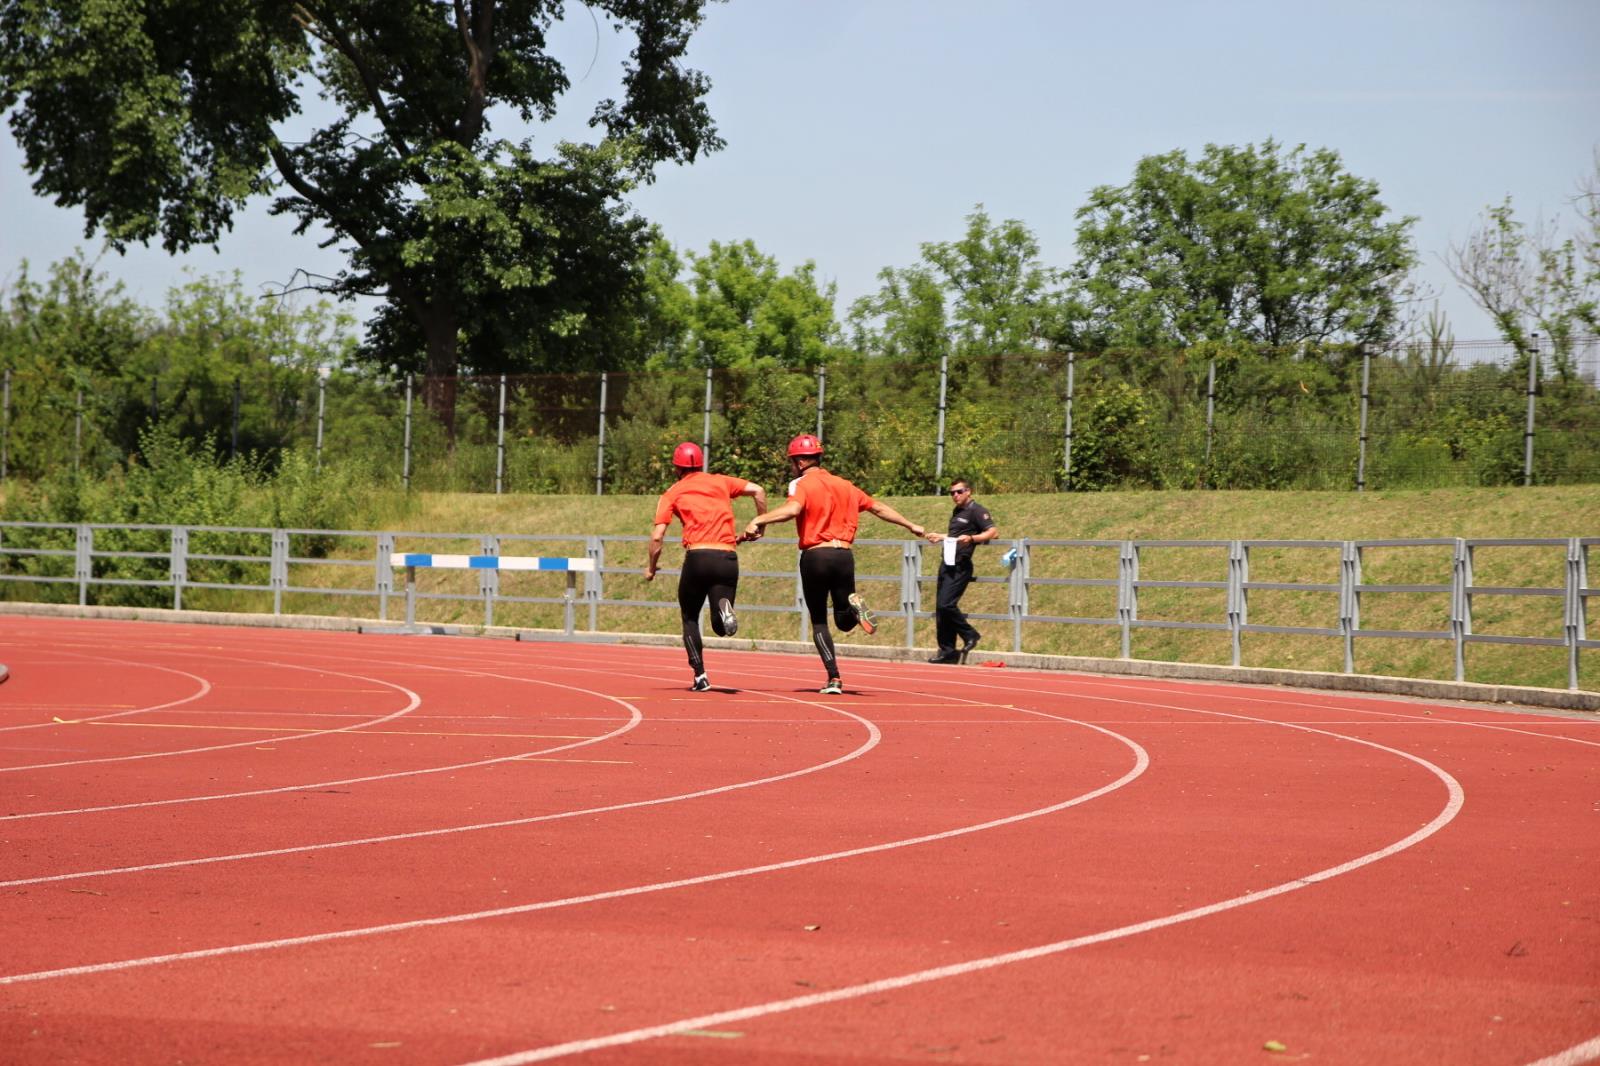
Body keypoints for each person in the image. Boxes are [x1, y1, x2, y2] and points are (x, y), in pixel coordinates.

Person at [743, 434, 925, 695]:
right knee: (844, 621)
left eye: (791, 462)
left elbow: (792, 510)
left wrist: (759, 520)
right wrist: (910, 525)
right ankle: (853, 607)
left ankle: (834, 678)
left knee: (819, 621)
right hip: (843, 556)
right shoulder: (846, 485)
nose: (791, 467)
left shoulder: (801, 484)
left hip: (816, 556)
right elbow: (878, 508)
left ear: (800, 462)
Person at [645, 441, 767, 691]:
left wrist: (651, 568)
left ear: (676, 468)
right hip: (727, 557)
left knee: (690, 617)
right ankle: (724, 608)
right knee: (720, 628)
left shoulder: (672, 493)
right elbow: (758, 490)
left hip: (698, 558)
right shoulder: (720, 481)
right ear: (701, 463)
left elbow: (657, 537)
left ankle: (700, 675)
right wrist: (760, 524)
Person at [924, 478, 998, 664]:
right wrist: (940, 537)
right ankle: (947, 651)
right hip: (947, 563)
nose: (955, 495)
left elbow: (992, 532)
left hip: (960, 565)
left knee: (946, 605)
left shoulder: (977, 510)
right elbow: (955, 536)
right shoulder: (957, 511)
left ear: (968, 491)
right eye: (952, 493)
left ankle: (970, 634)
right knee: (941, 609)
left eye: (959, 492)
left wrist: (972, 539)